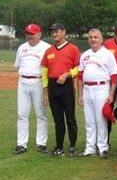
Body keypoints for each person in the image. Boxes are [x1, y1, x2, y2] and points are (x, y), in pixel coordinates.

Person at [77, 29, 117, 159]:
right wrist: (80, 95)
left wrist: (111, 94)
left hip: (102, 87)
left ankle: (103, 148)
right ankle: (89, 148)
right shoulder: (85, 55)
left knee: (101, 119)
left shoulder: (107, 54)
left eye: (96, 37)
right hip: (88, 89)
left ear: (101, 39)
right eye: (90, 37)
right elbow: (80, 76)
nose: (93, 39)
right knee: (89, 120)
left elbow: (114, 75)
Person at [42, 22, 81, 157]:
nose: (54, 34)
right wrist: (46, 92)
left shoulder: (73, 49)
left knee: (70, 118)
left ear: (64, 32)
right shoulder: (49, 51)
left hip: (66, 85)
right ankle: (59, 147)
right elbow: (44, 72)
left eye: (57, 31)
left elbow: (78, 68)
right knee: (58, 119)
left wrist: (67, 74)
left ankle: (72, 146)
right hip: (53, 86)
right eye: (52, 32)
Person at [13, 23, 51, 154]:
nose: (29, 36)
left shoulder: (46, 48)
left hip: (38, 81)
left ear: (39, 34)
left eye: (32, 33)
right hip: (23, 81)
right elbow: (18, 66)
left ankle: (41, 143)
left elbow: (49, 68)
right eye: (27, 33)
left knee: (41, 114)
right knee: (22, 114)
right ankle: (21, 144)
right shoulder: (21, 48)